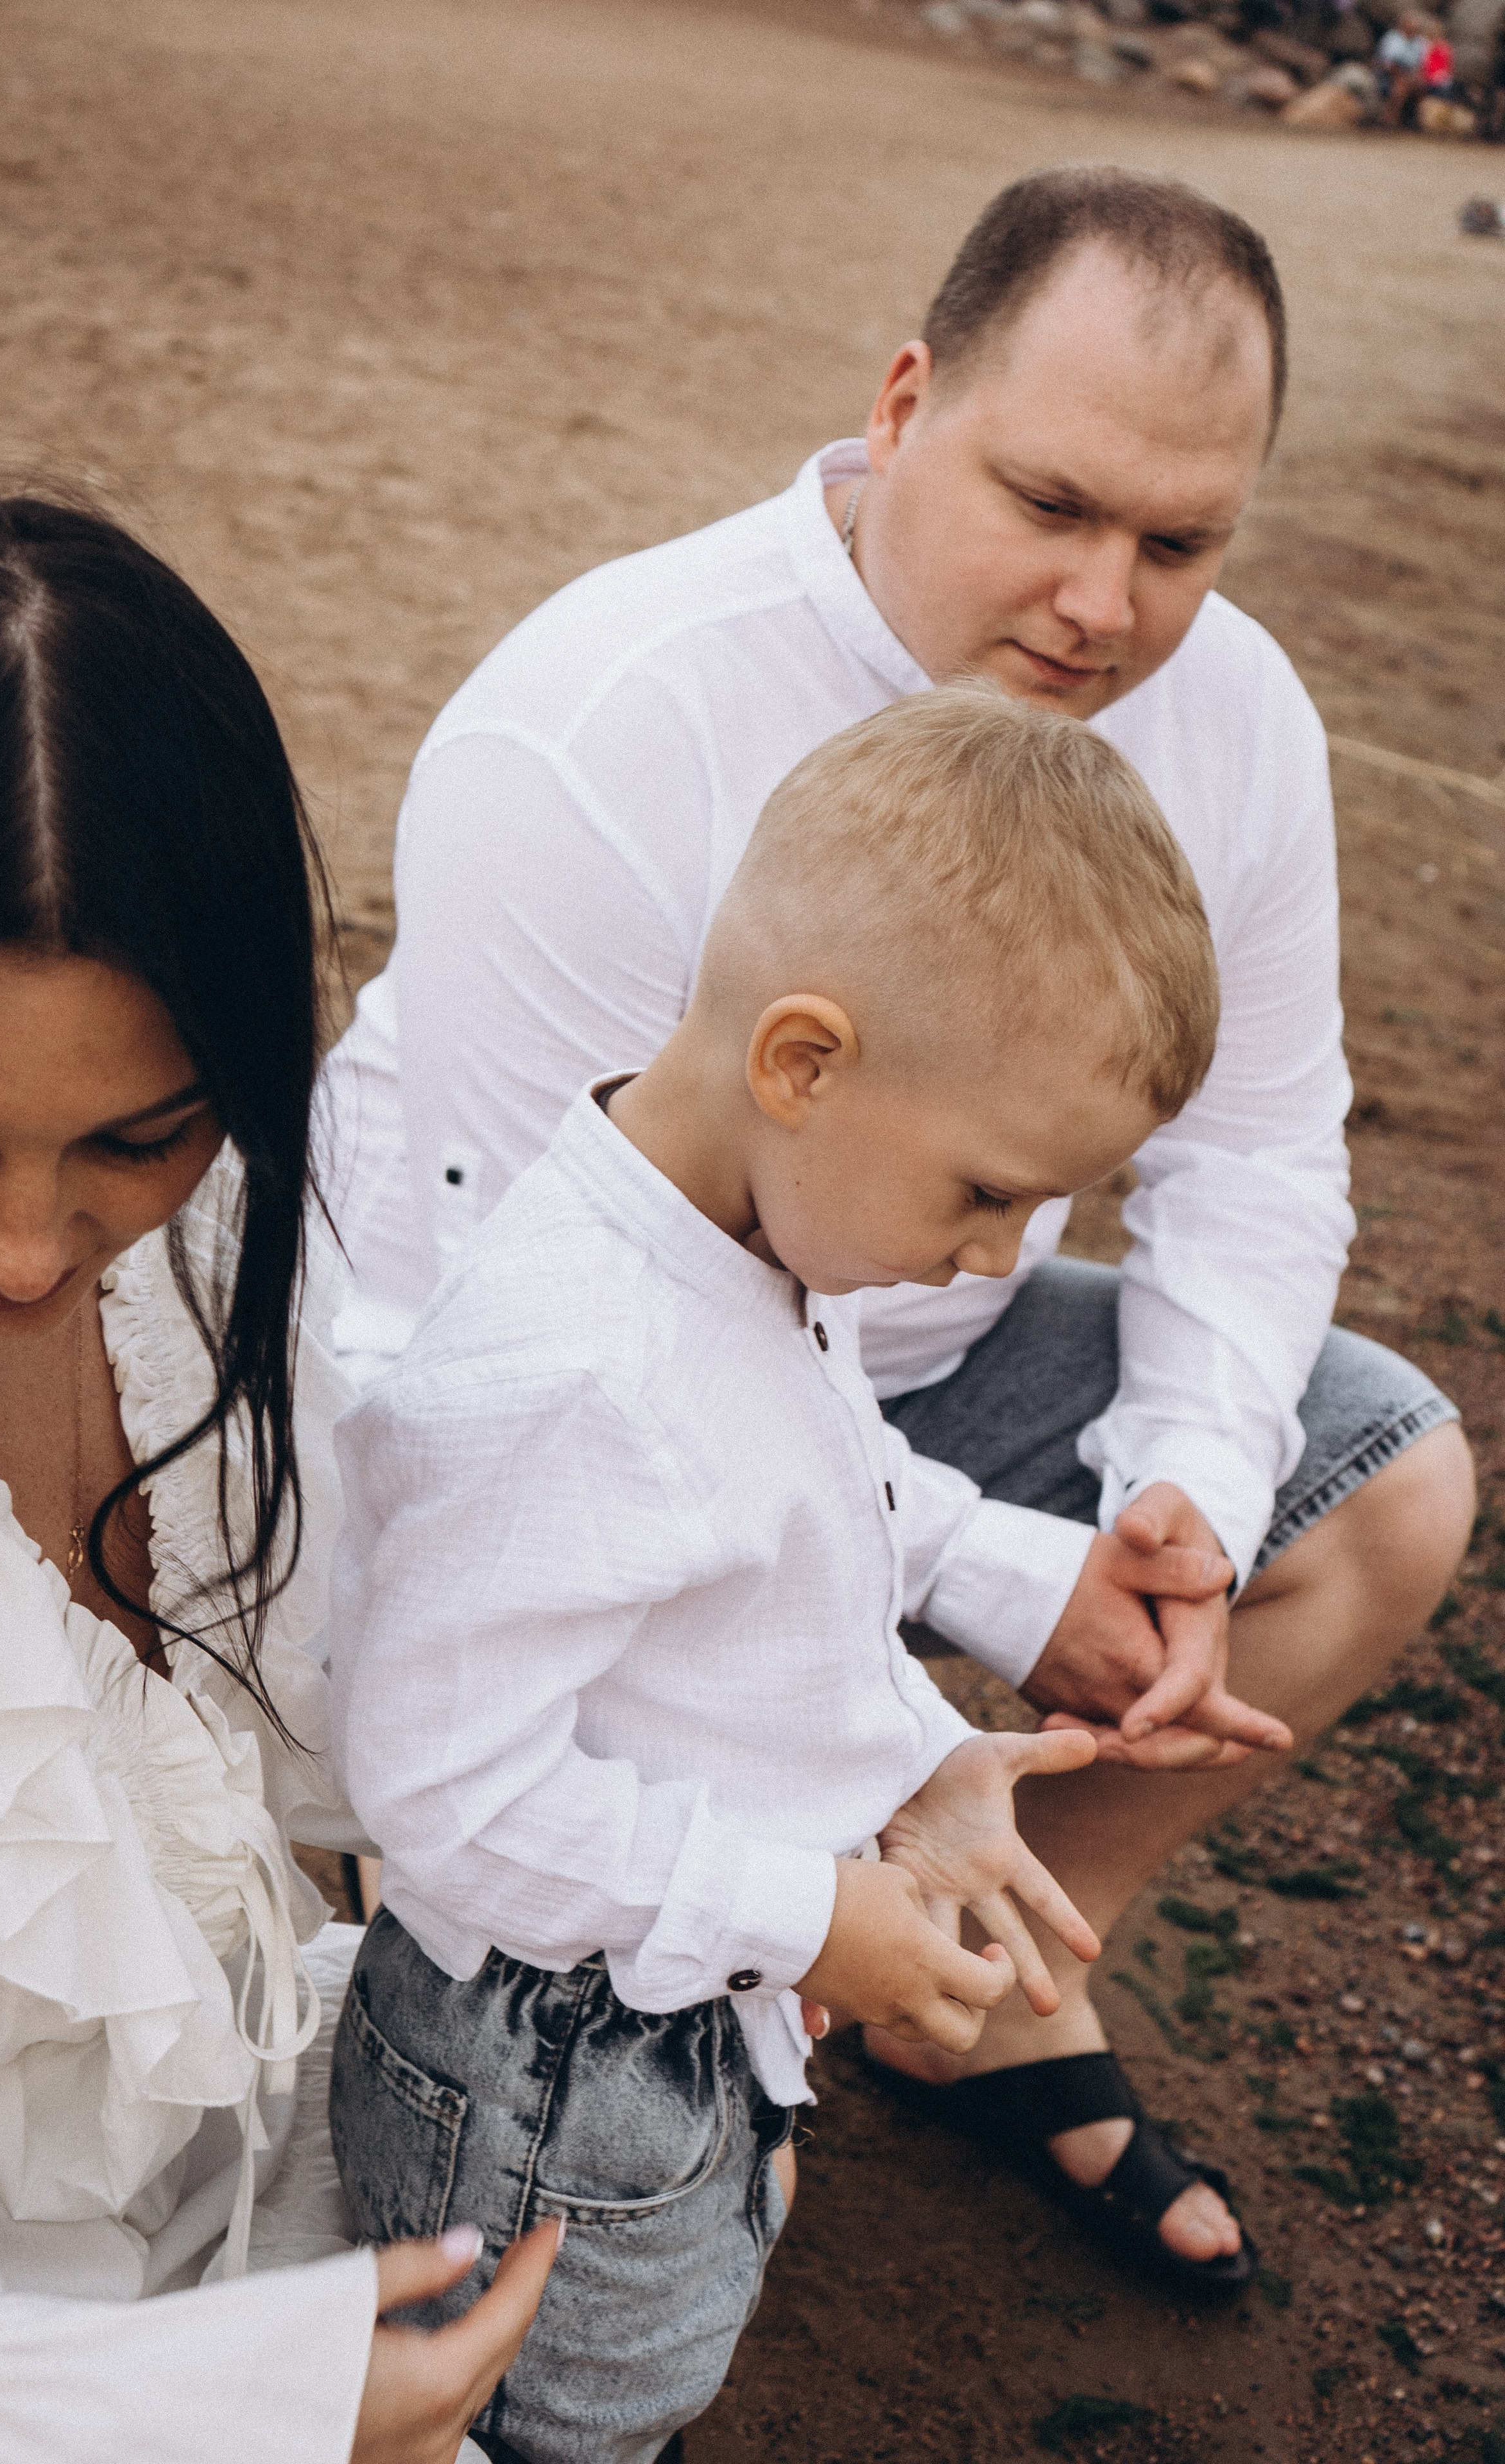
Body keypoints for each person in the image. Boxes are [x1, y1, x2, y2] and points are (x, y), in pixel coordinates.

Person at [321, 165, 1474, 2291]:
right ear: (906, 398)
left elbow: (1260, 1155)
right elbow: (559, 1364)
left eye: (1181, 544)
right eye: (1051, 502)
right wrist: (902, 1705)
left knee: (1382, 1486)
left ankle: (986, 1965)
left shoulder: (1236, 721)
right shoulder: (607, 723)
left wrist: (1173, 1511)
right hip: (562, 1415)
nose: (1105, 606)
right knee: (552, 2122)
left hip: (908, 1375)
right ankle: (786, 1965)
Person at [325, 685, 1236, 2464]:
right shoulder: (576, 1373)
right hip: (555, 2063)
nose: (997, 1255)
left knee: (643, 2373)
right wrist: (812, 1917)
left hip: (676, 1991)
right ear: (803, 1063)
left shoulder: (742, 1239)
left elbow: (816, 1511)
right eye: (988, 1192)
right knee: (541, 2423)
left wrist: (911, 1760)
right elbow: (438, 1793)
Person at [0, 492, 556, 2464]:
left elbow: (327, 1717)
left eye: (130, 1131)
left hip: (248, 2228)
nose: (17, 1242)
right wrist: (196, 2402)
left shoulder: (222, 1237)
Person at [1376, 9, 1431, 111]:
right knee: (1401, 87)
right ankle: (1390, 116)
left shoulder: (1421, 42)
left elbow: (1424, 63)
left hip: (1413, 74)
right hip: (1392, 74)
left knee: (1422, 86)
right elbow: (1388, 64)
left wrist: (1416, 75)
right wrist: (1402, 77)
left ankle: (1416, 116)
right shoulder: (1392, 39)